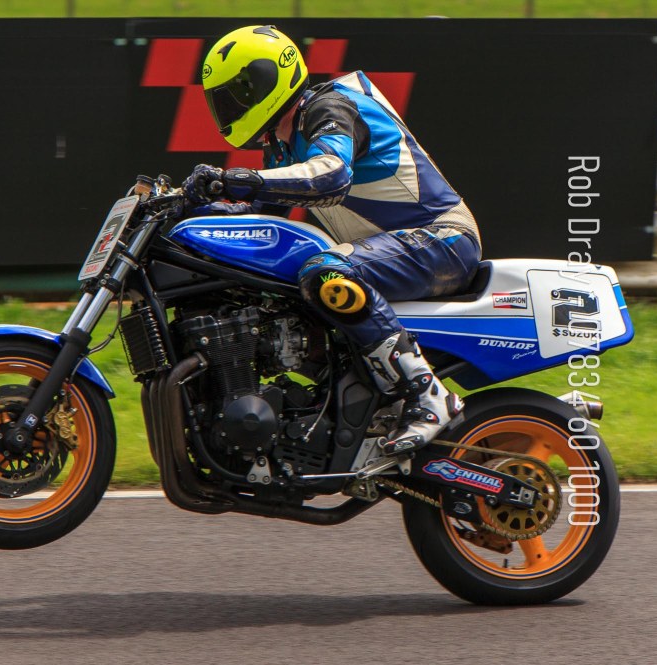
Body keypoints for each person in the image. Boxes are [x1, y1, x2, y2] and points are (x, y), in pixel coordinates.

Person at [182, 25, 482, 456]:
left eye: (237, 94)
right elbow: (256, 218)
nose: (230, 107)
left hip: (442, 239)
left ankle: (428, 395)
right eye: (223, 100)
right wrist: (189, 207)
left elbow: (332, 174)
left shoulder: (329, 107)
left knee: (325, 272)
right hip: (395, 249)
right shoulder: (282, 146)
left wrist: (237, 178)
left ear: (268, 79)